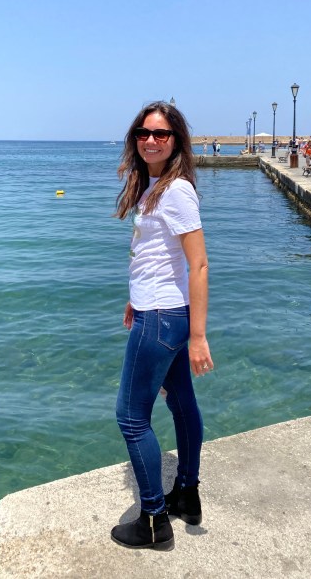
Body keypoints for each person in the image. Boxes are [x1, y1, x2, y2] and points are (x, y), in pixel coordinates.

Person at [112, 101, 213, 551]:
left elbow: (199, 264)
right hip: (159, 310)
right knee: (182, 404)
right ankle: (187, 494)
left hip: (161, 319)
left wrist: (199, 336)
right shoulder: (155, 186)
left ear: (176, 141)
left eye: (161, 134)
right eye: (143, 133)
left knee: (131, 418)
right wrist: (135, 297)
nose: (150, 140)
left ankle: (153, 519)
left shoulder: (176, 191)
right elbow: (157, 257)